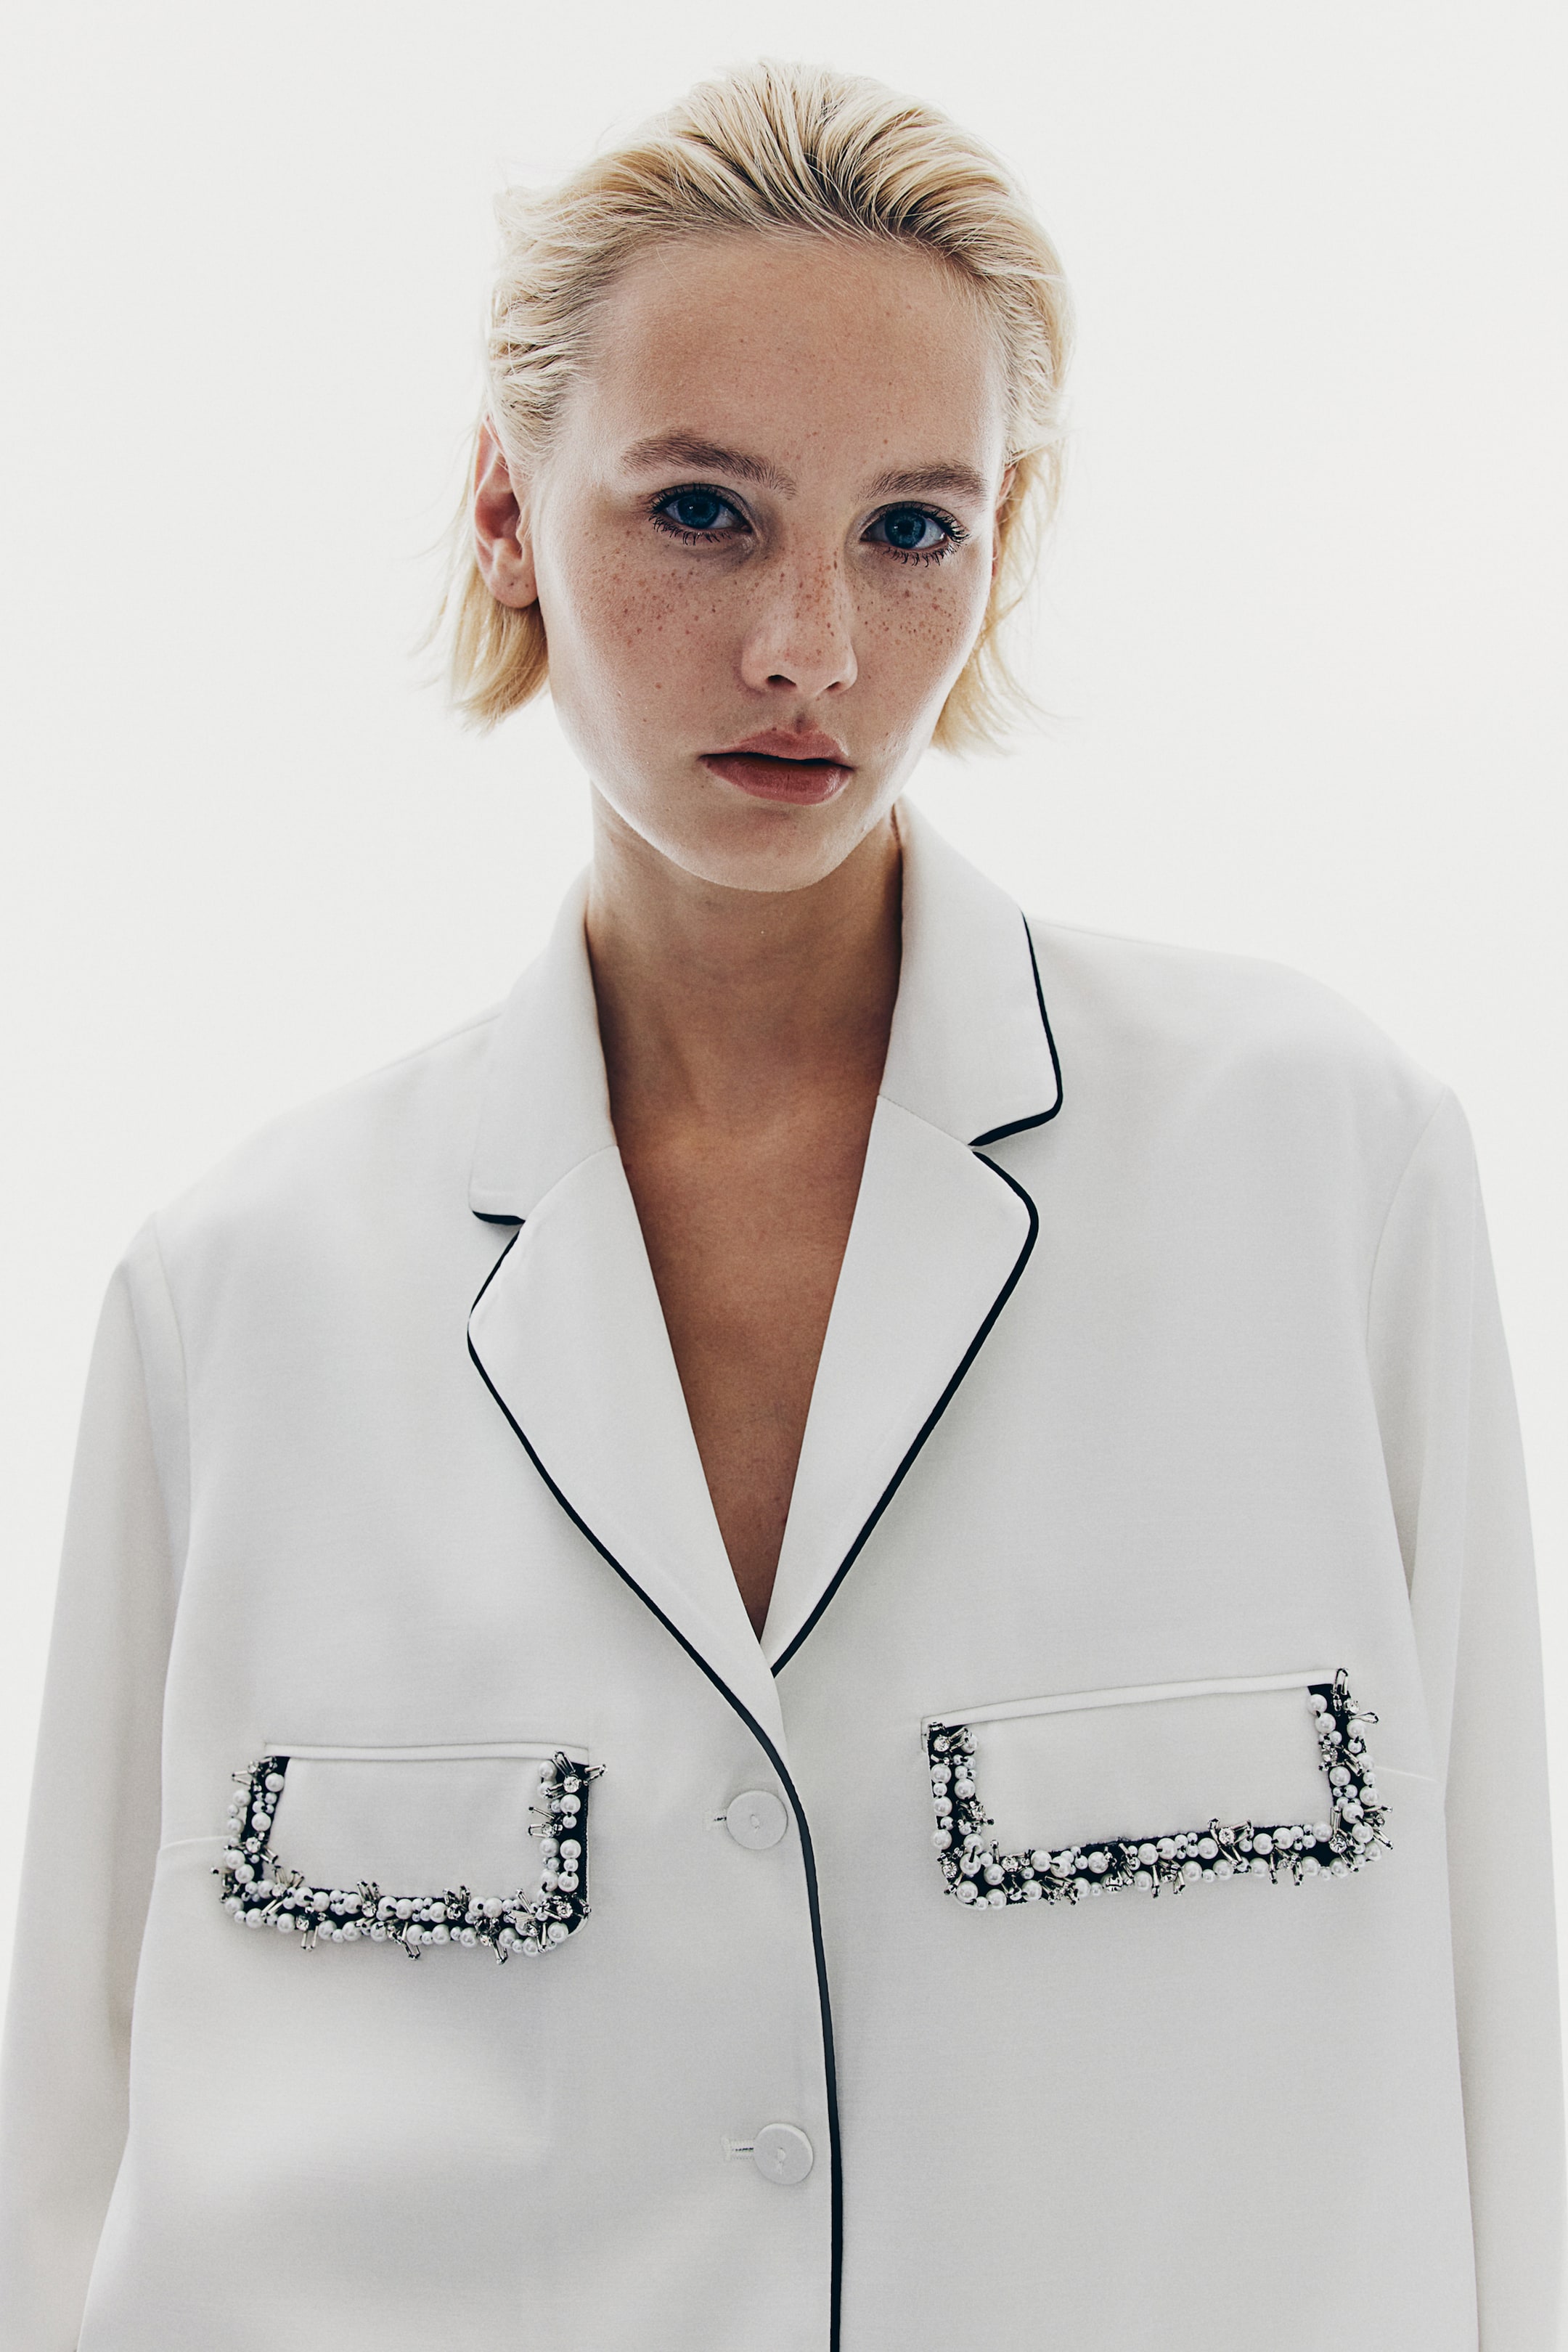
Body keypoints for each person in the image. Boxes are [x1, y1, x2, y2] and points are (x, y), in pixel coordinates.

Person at [0, 57, 1561, 2352]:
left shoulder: (1327, 1176)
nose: (810, 645)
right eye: (707, 511)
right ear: (507, 509)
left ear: (1004, 542)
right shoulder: (236, 1303)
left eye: (911, 529)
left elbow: (1511, 2057)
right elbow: (73, 2167)